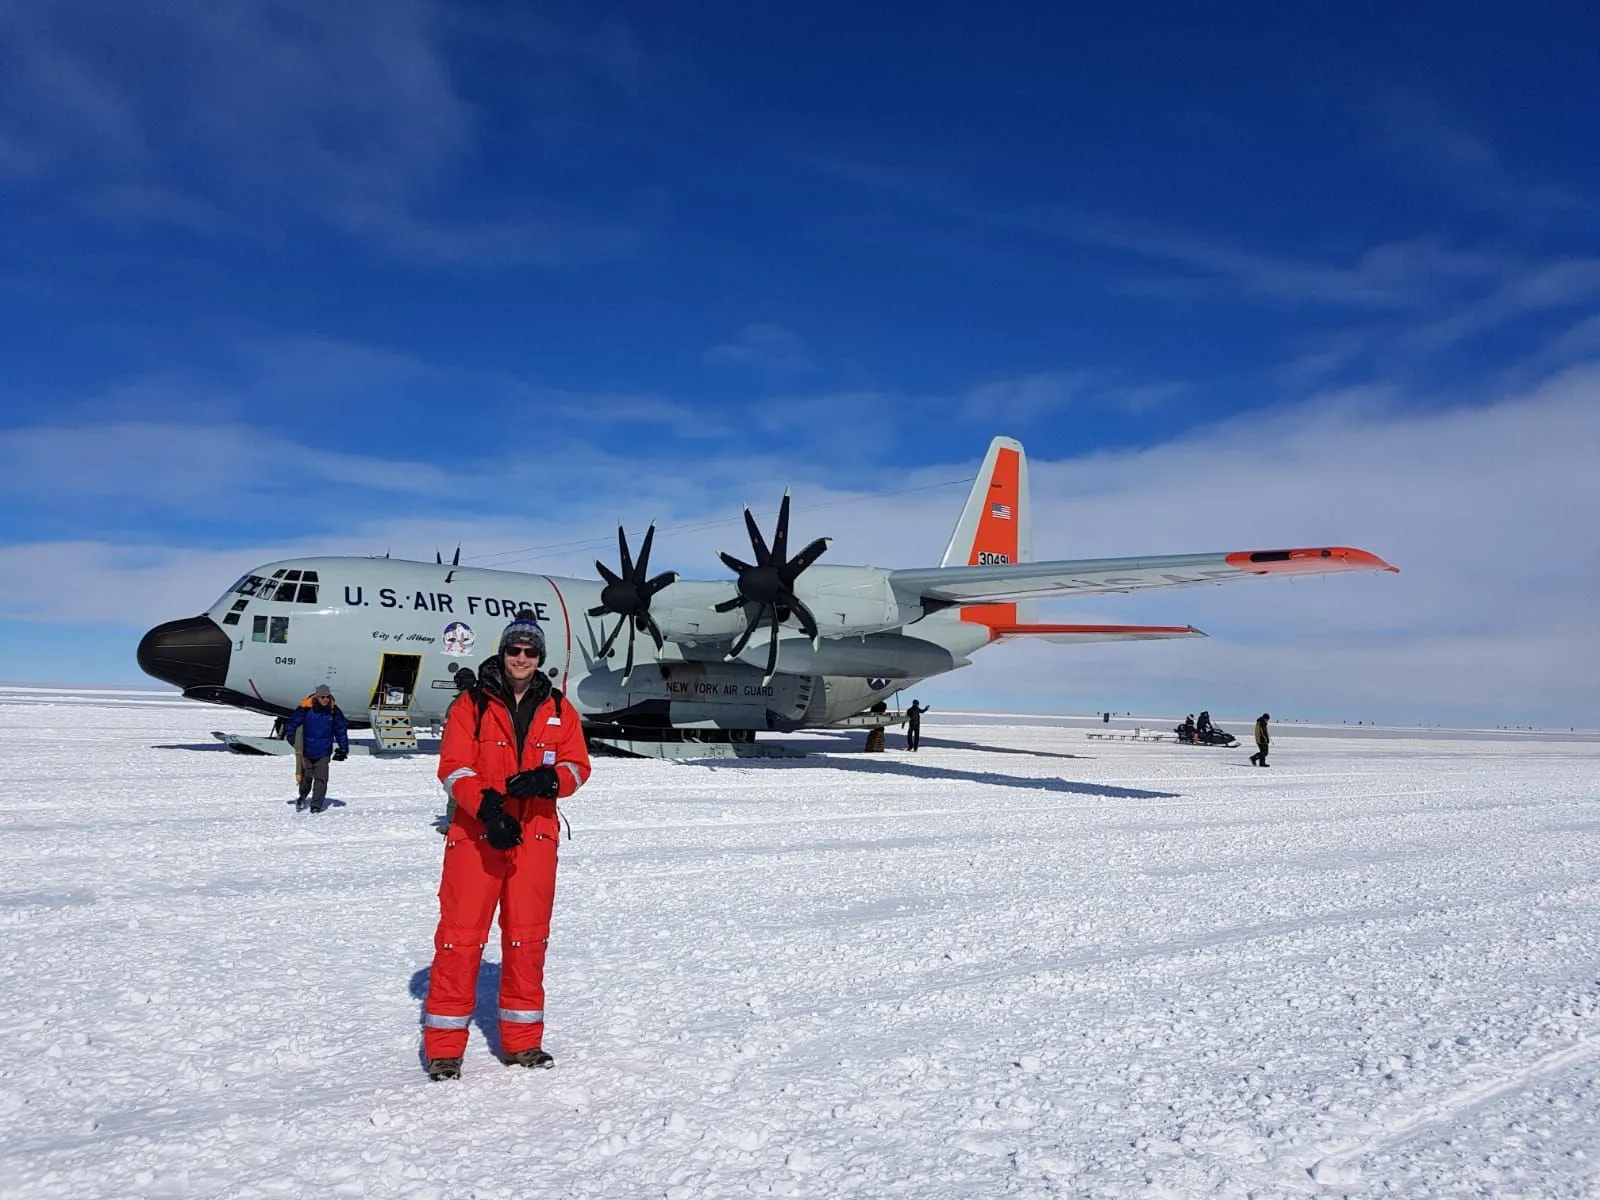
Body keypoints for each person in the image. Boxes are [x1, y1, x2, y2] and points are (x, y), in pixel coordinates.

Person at [422, 609, 591, 1081]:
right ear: (503, 652)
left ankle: (522, 1043)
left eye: (530, 651)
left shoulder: (559, 708)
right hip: (477, 837)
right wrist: (488, 810)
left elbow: (578, 765)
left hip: (535, 838)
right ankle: (444, 1049)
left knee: (527, 938)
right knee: (459, 939)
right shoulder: (471, 705)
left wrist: (549, 780)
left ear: (540, 656)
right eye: (514, 649)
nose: (521, 657)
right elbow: (453, 767)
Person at [282, 684, 349, 813]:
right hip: (306, 751)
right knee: (306, 777)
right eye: (322, 697)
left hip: (324, 751)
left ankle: (316, 806)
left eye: (327, 697)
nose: (325, 699)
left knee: (321, 779)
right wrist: (293, 739)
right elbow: (291, 724)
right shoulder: (305, 709)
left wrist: (343, 749)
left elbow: (340, 730)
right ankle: (302, 796)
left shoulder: (334, 711)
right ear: (317, 697)